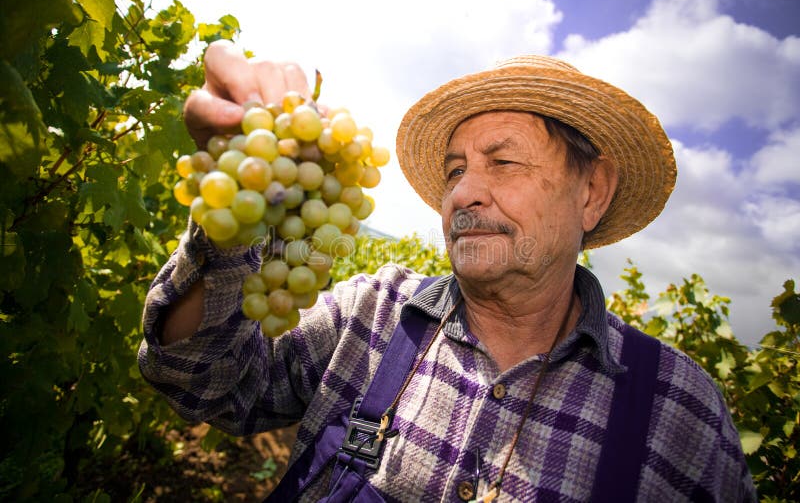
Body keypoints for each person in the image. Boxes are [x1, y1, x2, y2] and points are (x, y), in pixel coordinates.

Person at [138, 40, 756, 502]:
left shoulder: (681, 412)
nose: (463, 194)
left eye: (505, 161)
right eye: (455, 171)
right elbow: (207, 386)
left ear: (592, 191)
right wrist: (231, 229)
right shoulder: (373, 312)